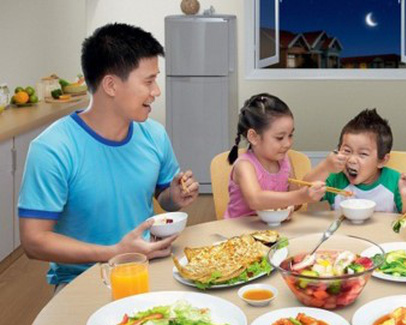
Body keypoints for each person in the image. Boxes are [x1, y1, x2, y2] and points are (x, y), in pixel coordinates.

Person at [18, 23, 199, 288]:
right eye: (148, 81)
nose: (157, 91)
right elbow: (34, 242)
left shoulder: (154, 135)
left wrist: (174, 196)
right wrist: (114, 252)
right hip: (81, 280)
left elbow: (165, 200)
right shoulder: (53, 148)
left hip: (147, 266)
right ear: (111, 85)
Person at [225, 93, 325, 218]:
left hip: (274, 227)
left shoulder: (285, 160)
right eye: (280, 137)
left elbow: (296, 203)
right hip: (239, 228)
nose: (288, 143)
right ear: (253, 137)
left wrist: (292, 205)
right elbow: (255, 200)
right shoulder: (244, 166)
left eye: (290, 135)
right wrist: (301, 196)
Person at [304, 108, 406, 213]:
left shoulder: (395, 182)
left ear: (382, 160)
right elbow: (304, 190)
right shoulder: (336, 178)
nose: (352, 160)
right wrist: (325, 167)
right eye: (347, 151)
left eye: (363, 154)